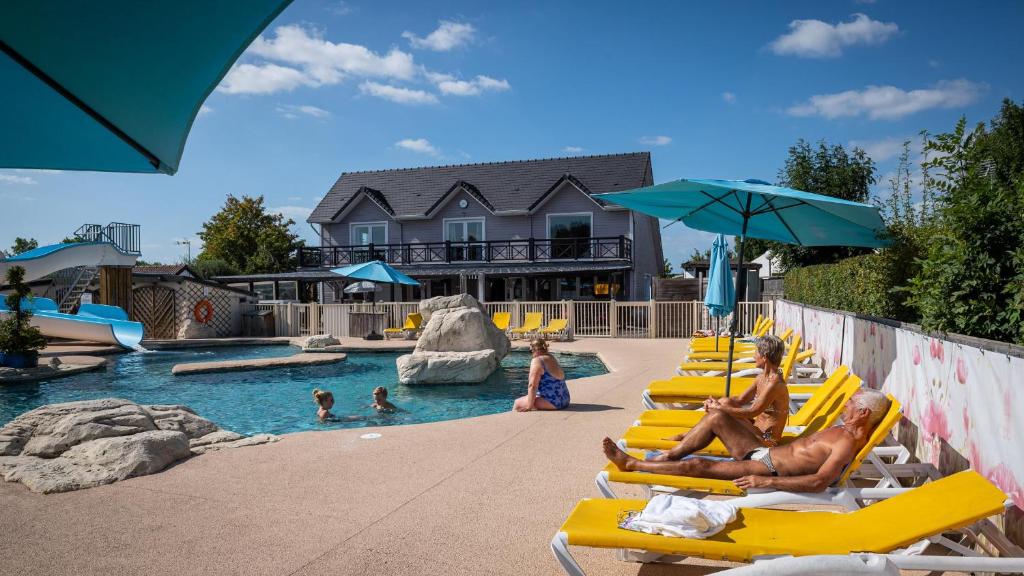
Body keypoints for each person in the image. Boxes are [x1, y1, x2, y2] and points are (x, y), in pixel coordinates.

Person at [602, 388, 891, 492]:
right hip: (765, 452)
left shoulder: (845, 443)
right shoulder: (840, 430)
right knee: (716, 417)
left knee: (699, 466)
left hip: (766, 469)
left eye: (850, 403)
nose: (845, 406)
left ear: (863, 413)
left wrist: (767, 482)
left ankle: (632, 464)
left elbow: (819, 481)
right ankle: (668, 457)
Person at [651, 335, 789, 462]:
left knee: (720, 413)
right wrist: (717, 403)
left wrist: (720, 409)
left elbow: (753, 411)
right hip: (756, 430)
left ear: (764, 357)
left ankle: (680, 445)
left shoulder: (775, 383)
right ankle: (684, 437)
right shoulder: (761, 378)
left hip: (766, 441)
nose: (754, 356)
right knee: (725, 402)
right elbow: (740, 400)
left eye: (756, 352)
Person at [513, 338, 570, 411]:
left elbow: (532, 385)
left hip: (554, 402)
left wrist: (529, 406)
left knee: (517, 403)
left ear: (534, 350)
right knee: (529, 397)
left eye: (530, 351)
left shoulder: (537, 360)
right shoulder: (551, 357)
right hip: (565, 399)